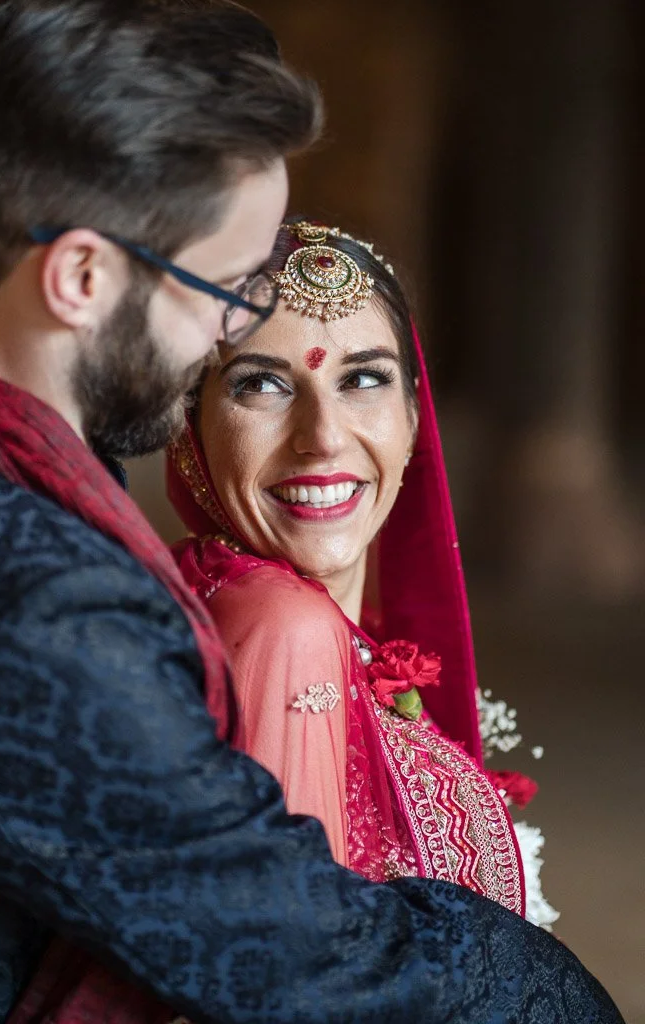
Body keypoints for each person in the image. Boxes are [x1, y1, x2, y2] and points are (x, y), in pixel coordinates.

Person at [0, 0, 621, 1024]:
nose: (226, 333)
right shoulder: (39, 604)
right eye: (221, 289)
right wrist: (553, 992)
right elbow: (293, 959)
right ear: (79, 279)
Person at [167, 218, 555, 922]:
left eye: (364, 378)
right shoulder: (286, 629)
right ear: (189, 425)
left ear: (413, 415)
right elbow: (290, 976)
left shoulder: (302, 628)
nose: (322, 437)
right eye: (262, 385)